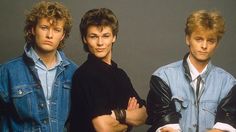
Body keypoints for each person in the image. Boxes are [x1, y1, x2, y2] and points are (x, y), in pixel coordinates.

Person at [146, 10, 236, 132]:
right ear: (188, 39)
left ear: (217, 44)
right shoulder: (163, 77)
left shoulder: (228, 83)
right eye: (199, 39)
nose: (204, 46)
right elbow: (166, 125)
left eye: (210, 40)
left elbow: (225, 124)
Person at [0, 1, 77, 131]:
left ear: (62, 35)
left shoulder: (73, 72)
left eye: (57, 30)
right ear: (33, 29)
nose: (50, 35)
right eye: (44, 27)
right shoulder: (7, 71)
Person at [69, 8, 147, 132]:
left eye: (105, 36)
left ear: (114, 37)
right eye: (94, 36)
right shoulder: (85, 75)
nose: (100, 43)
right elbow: (104, 127)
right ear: (85, 39)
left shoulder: (120, 75)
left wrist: (117, 115)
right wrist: (128, 122)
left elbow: (144, 115)